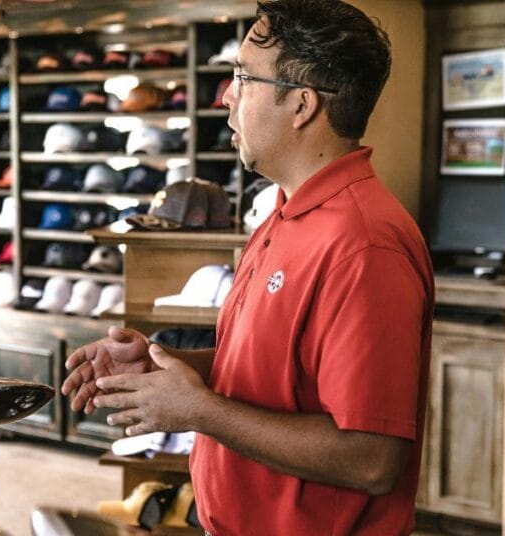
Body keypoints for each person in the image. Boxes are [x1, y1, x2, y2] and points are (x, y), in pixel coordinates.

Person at [62, 1, 434, 534]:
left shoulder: (365, 244)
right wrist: (164, 364)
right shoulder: (284, 213)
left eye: (242, 76)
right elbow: (266, 371)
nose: (226, 95)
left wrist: (199, 412)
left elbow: (372, 458)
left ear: (302, 104)